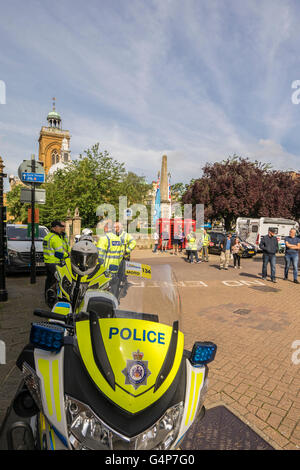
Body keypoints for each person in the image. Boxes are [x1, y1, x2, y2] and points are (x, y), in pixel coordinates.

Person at [43, 220, 69, 303]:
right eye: (60, 227)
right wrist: (68, 255)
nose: (62, 228)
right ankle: (52, 296)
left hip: (48, 262)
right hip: (55, 263)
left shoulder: (48, 236)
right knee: (58, 280)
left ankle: (47, 295)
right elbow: (60, 253)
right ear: (55, 227)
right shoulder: (55, 238)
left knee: (49, 280)